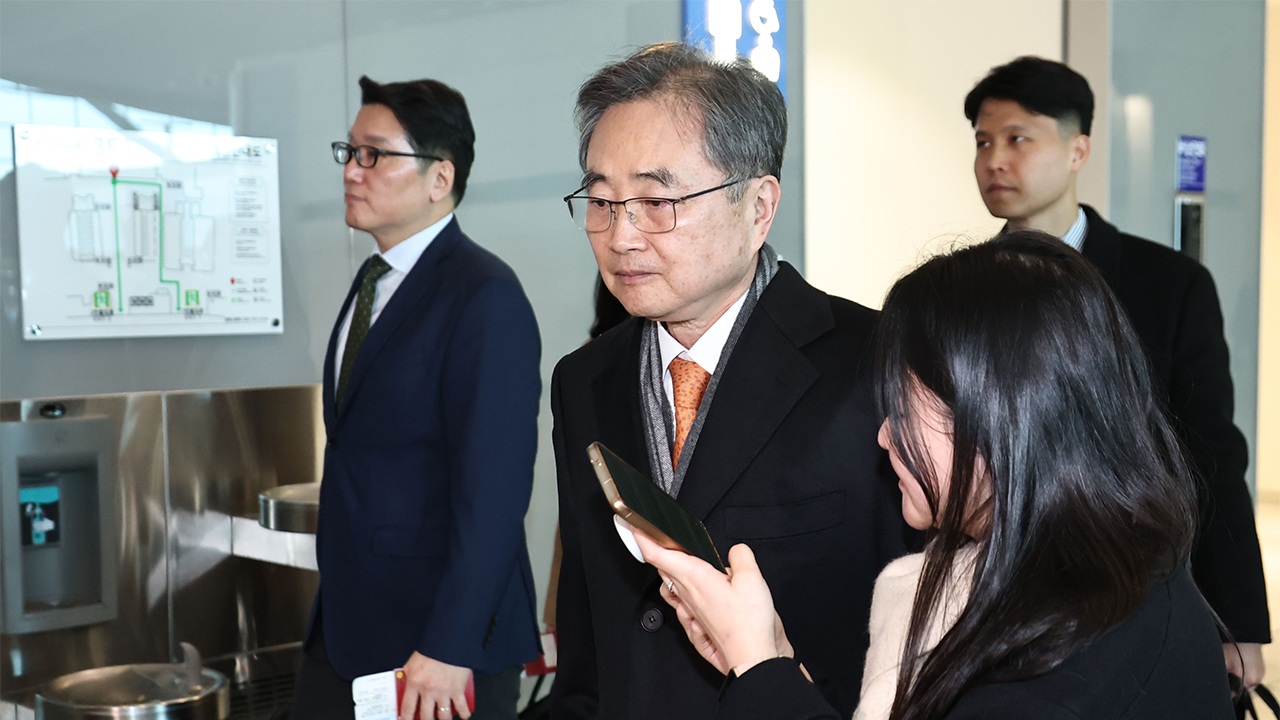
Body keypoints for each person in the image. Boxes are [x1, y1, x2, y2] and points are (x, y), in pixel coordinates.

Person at [637, 232, 1236, 720]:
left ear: (996, 417)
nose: (884, 436)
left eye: (902, 409)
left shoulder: (1055, 665)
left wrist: (758, 669)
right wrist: (772, 656)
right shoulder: (1108, 574)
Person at [549, 42, 907, 720]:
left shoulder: (875, 361)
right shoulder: (583, 379)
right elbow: (588, 627)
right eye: (601, 201)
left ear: (758, 207)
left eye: (657, 201)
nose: (621, 236)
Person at [964, 56, 1269, 687]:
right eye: (984, 142)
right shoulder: (959, 291)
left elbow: (1211, 456)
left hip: (1137, 590)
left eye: (1018, 139)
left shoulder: (1170, 285)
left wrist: (1237, 622)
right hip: (994, 588)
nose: (995, 160)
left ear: (1077, 150)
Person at [293, 75, 542, 720]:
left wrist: (449, 643)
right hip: (350, 624)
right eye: (350, 151)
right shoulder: (374, 277)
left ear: (440, 178)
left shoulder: (484, 295)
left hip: (437, 644)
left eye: (374, 154)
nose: (352, 170)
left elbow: (495, 491)